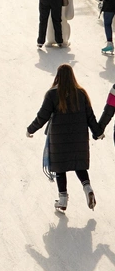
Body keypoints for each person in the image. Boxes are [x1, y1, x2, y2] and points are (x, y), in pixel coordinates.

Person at [26, 64, 102, 213]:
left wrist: (31, 129)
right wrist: (97, 132)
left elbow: (42, 116)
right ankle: (88, 188)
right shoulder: (81, 94)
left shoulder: (52, 94)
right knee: (79, 165)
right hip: (79, 137)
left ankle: (62, 200)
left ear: (58, 76)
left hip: (59, 140)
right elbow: (90, 116)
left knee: (60, 167)